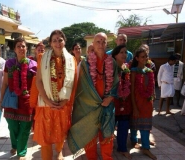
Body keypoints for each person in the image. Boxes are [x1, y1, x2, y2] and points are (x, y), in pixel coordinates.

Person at [68, 32, 119, 160]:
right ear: (93, 44)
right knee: (90, 135)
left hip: (107, 105)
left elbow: (116, 82)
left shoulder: (112, 62)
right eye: (98, 42)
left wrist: (110, 98)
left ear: (107, 44)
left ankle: (107, 158)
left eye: (104, 42)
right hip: (89, 106)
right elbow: (80, 85)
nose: (101, 44)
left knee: (107, 135)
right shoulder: (86, 64)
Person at [33, 30, 77, 160]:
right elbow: (38, 81)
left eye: (60, 40)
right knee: (45, 135)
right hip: (46, 104)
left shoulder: (71, 59)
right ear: (50, 43)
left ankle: (58, 152)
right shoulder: (43, 57)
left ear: (64, 41)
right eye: (54, 40)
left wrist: (65, 100)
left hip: (63, 103)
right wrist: (47, 100)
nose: (57, 43)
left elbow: (73, 83)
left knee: (61, 131)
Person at [0, 38, 37, 160]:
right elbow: (5, 83)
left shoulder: (34, 65)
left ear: (27, 48)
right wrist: (0, 101)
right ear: (14, 49)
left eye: (23, 46)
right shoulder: (9, 64)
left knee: (25, 128)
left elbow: (38, 84)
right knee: (12, 126)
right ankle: (15, 145)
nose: (21, 48)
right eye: (18, 46)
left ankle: (21, 152)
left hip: (27, 101)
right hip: (11, 100)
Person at [130, 48, 157, 160]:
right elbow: (131, 91)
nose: (145, 58)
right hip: (136, 102)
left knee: (146, 126)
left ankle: (145, 148)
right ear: (137, 58)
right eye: (142, 56)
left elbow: (152, 86)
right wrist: (134, 107)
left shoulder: (149, 71)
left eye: (146, 56)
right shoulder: (134, 71)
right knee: (135, 123)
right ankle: (133, 140)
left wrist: (153, 96)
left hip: (147, 103)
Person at [112, 45, 132, 159]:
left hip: (125, 102)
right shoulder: (110, 69)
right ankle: (108, 148)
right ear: (115, 55)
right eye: (121, 52)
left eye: (125, 52)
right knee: (110, 127)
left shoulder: (126, 68)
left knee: (124, 126)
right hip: (113, 102)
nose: (124, 55)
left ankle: (122, 148)